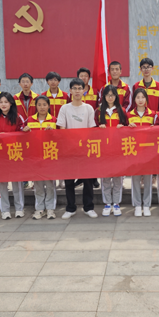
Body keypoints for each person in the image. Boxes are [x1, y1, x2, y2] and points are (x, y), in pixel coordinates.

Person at [56, 78, 98, 219]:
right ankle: (70, 208)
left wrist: (83, 144)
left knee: (88, 180)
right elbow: (62, 128)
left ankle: (88, 207)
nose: (77, 91)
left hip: (85, 150)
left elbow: (91, 129)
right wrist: (71, 143)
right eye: (74, 88)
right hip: (69, 150)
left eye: (80, 88)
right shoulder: (65, 108)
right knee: (69, 181)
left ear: (84, 90)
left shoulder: (88, 108)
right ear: (70, 91)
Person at [0, 92, 26, 220]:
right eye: (1, 102)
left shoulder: (18, 117)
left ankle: (19, 209)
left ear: (11, 103)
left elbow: (22, 133)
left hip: (14, 154)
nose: (3, 104)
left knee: (17, 183)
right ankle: (5, 210)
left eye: (6, 102)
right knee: (2, 184)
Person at [23, 96, 58, 220]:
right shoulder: (29, 120)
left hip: (49, 156)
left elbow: (60, 137)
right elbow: (22, 136)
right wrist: (24, 130)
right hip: (35, 157)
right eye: (39, 105)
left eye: (44, 104)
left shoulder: (54, 120)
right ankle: (39, 208)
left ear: (48, 106)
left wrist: (53, 132)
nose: (42, 107)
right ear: (36, 106)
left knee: (50, 185)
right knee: (38, 185)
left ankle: (50, 209)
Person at [95, 85, 127, 217]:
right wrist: (99, 128)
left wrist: (123, 127)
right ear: (104, 96)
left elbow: (128, 128)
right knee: (106, 179)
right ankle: (107, 203)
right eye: (107, 95)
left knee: (118, 179)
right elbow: (93, 129)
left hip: (118, 150)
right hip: (104, 151)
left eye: (112, 95)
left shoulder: (121, 110)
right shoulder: (98, 111)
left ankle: (117, 203)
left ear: (116, 96)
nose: (110, 97)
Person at [127, 88, 156, 216]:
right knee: (135, 179)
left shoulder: (153, 114)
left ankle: (147, 205)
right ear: (134, 99)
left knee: (148, 180)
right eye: (138, 97)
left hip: (148, 153)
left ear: (146, 99)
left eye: (142, 97)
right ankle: (137, 205)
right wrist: (128, 127)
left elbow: (158, 132)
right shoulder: (129, 115)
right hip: (134, 152)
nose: (140, 100)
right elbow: (122, 132)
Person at [76, 67, 100, 189]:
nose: (83, 78)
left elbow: (99, 107)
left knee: (92, 153)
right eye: (81, 76)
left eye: (86, 76)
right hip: (78, 128)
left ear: (89, 78)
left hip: (92, 127)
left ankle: (94, 178)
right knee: (80, 154)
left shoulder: (96, 92)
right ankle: (81, 177)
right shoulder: (75, 92)